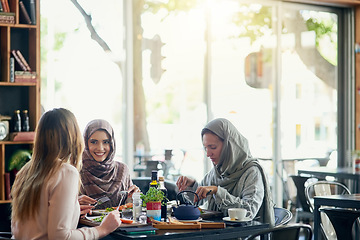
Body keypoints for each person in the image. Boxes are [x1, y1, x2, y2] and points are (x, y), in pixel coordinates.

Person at [11, 108, 121, 239]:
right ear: (73, 136)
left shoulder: (25, 171)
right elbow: (60, 237)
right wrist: (102, 229)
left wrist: (72, 205)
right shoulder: (66, 172)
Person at [176, 118, 275, 226]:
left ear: (229, 146)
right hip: (218, 233)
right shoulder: (217, 172)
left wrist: (217, 192)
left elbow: (249, 211)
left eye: (212, 147)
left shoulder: (252, 172)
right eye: (205, 148)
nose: (208, 154)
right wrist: (191, 186)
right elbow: (197, 200)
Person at [80, 119, 140, 209]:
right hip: (85, 223)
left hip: (120, 223)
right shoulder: (77, 171)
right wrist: (74, 203)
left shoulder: (122, 170)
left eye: (106, 142)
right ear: (85, 143)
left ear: (112, 144)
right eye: (93, 142)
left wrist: (135, 196)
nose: (100, 148)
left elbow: (129, 207)